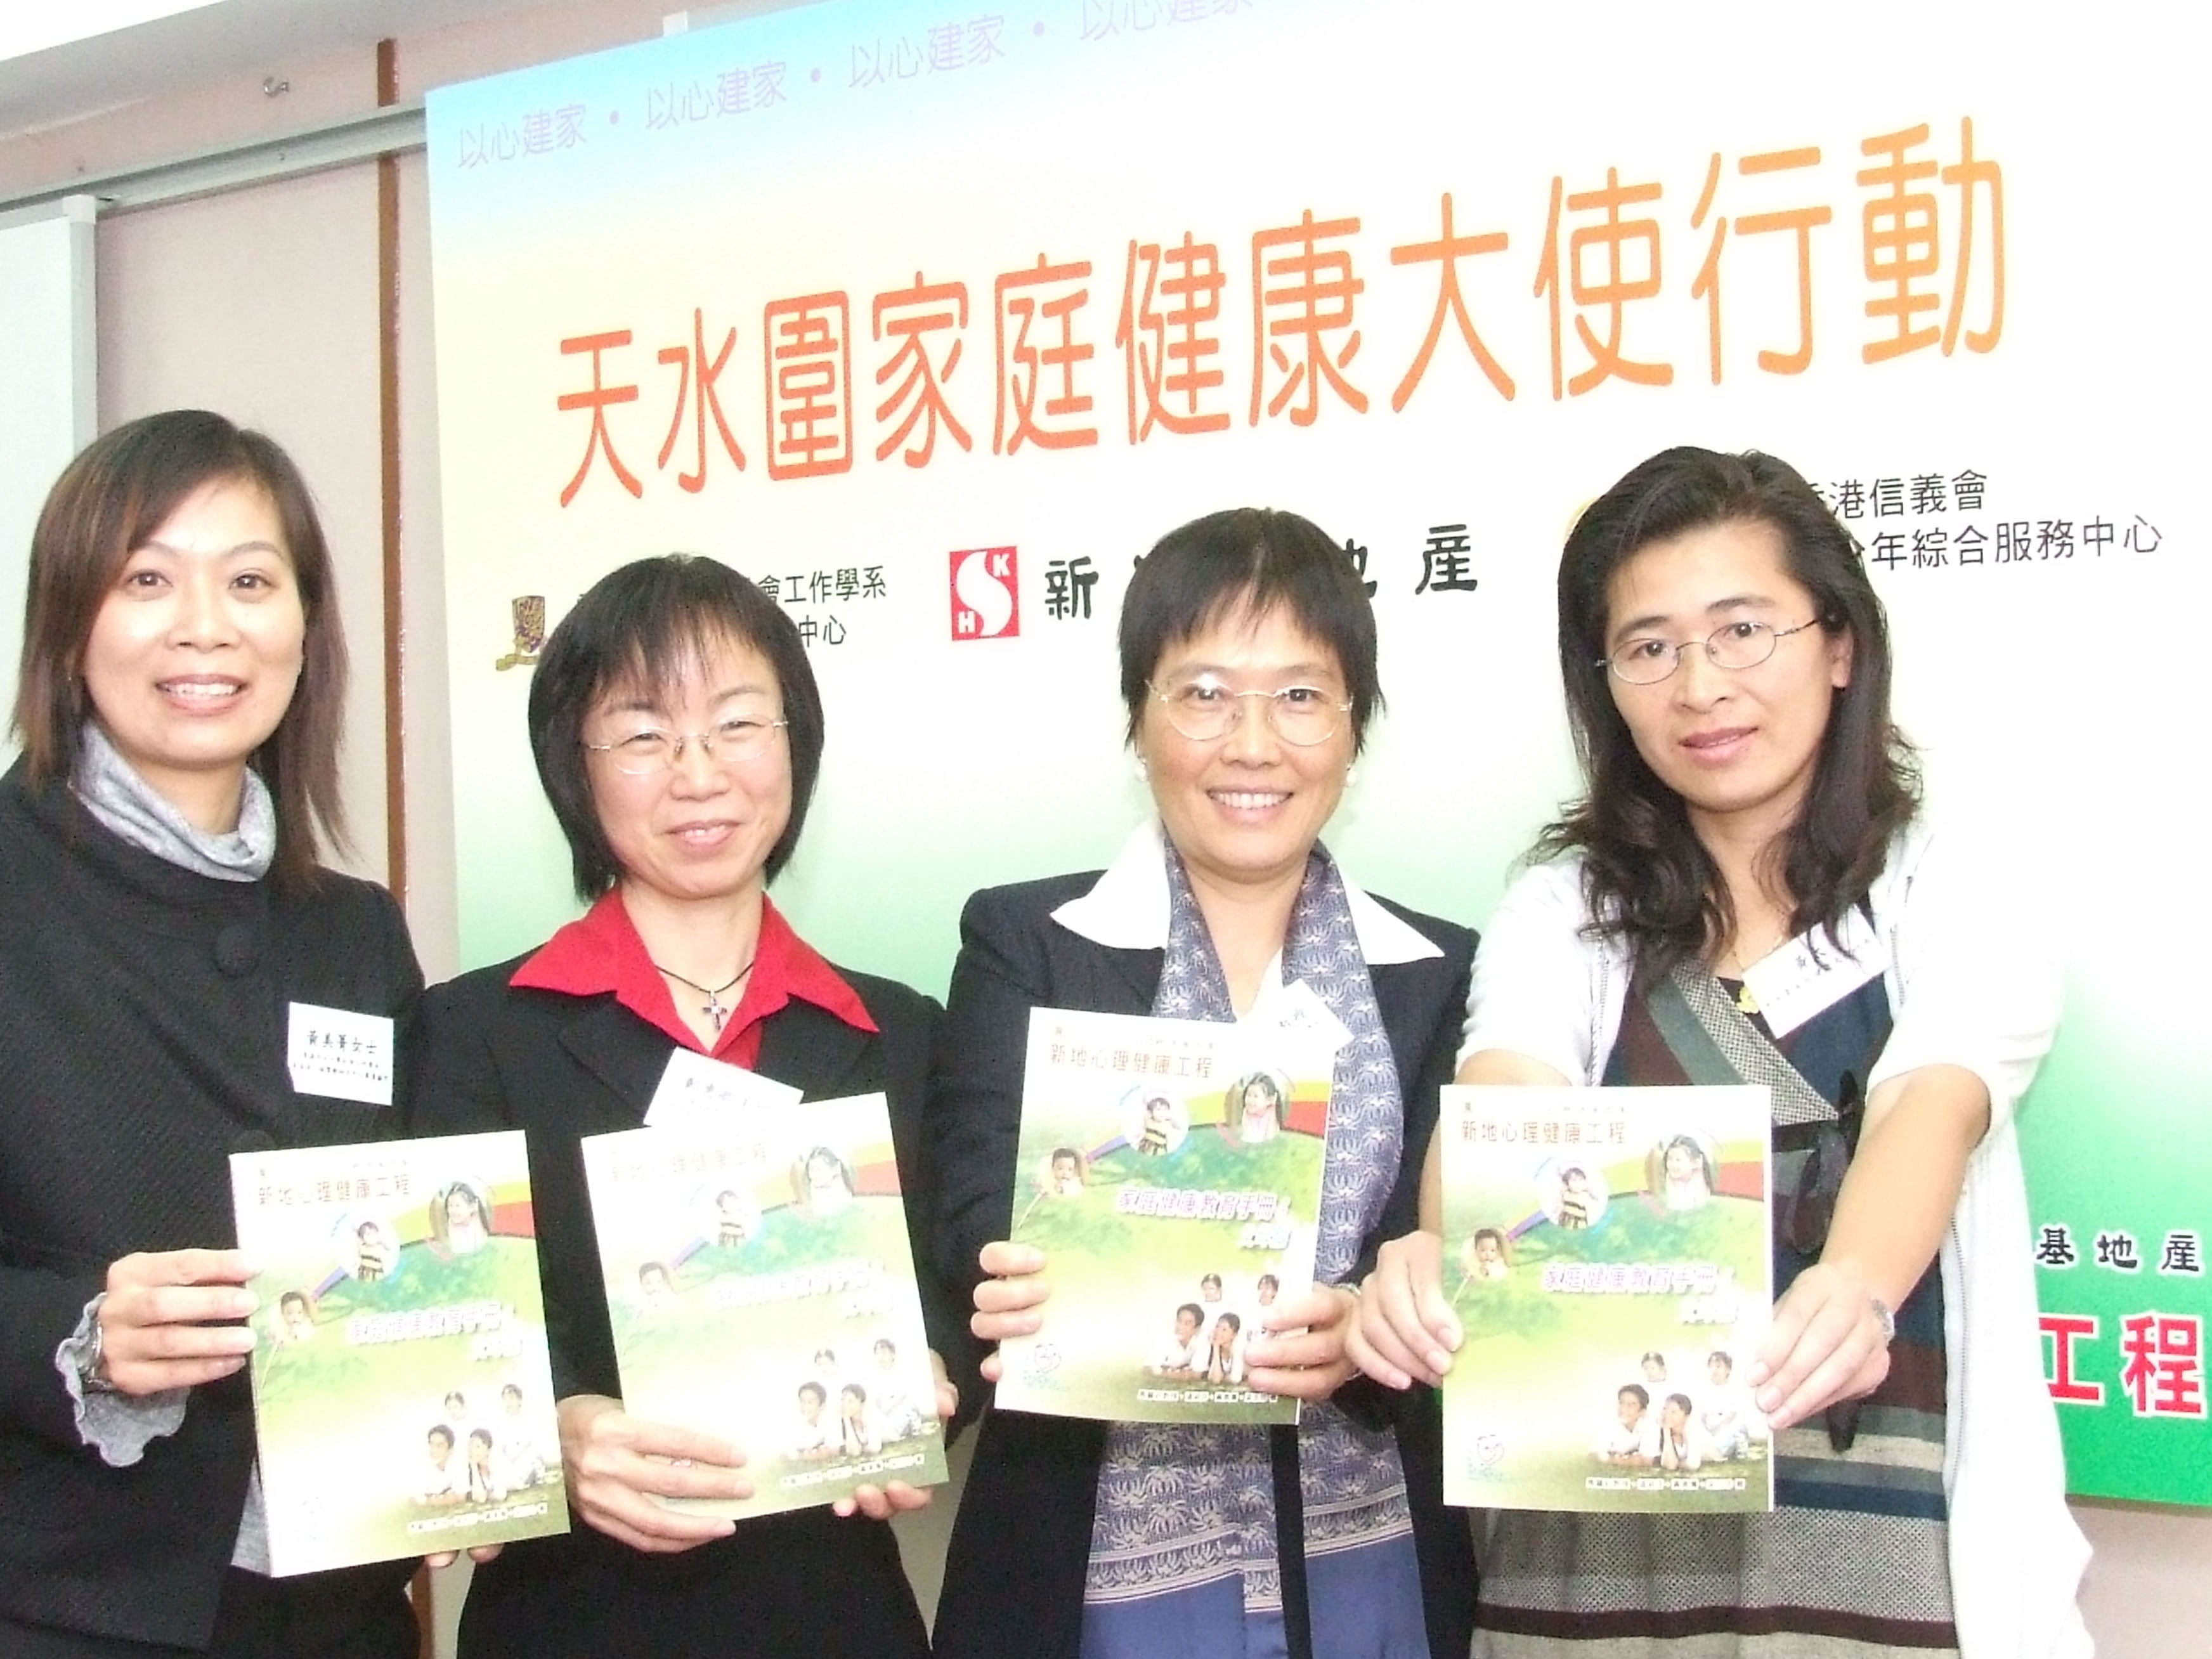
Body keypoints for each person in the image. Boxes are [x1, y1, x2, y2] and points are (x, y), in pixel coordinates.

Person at [1351, 448, 2089, 1656]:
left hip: (1887, 1579)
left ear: (1838, 644)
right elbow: (1505, 1099)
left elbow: (1932, 1102)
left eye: (1741, 629)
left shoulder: (1952, 887)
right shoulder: (1562, 909)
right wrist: (1439, 1246)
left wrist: (1849, 1286)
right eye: (1646, 646)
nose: (1699, 684)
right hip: (1588, 1579)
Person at [932, 507, 1478, 1659]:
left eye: (1298, 694)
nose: (1251, 742)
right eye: (1203, 692)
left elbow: (1451, 1265)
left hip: (1370, 1548)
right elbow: (976, 1204)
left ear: (1352, 727)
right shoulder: (1026, 938)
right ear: (1139, 719)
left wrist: (1366, 1335)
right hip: (1079, 1556)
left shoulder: (1439, 971)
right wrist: (1045, 1283)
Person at [408, 554, 957, 1659]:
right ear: (577, 767)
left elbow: (951, 1297)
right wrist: (559, 1429)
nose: (697, 774)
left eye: (738, 724)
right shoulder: (477, 1032)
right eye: (645, 734)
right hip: (572, 1616)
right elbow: (439, 1331)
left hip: (835, 1615)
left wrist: (931, 1384)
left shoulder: (896, 1033)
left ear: (792, 745)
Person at [0, 411, 429, 1658]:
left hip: (336, 1607)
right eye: (147, 580)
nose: (205, 627)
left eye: (250, 581)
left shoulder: (355, 933)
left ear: (305, 624)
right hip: (64, 1604)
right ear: (69, 616)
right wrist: (74, 1332)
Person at [1592, 1386, 1656, 1467]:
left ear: (1642, 1412)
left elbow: (1647, 1461)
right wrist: (1623, 1460)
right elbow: (1594, 1455)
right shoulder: (1609, 1422)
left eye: (1631, 1405)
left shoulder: (1649, 1426)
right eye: (1621, 1403)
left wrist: (1612, 1459)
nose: (1623, 1409)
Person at [1148, 1303, 1207, 1379]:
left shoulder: (1202, 1340)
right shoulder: (1166, 1336)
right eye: (1179, 1321)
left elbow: (1197, 1374)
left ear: (1197, 1329)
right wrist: (1168, 1374)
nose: (1180, 1326)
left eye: (1187, 1324)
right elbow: (1149, 1367)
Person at [1235, 1070, 1285, 1143]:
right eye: (1249, 1095)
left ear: (1269, 1100)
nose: (1250, 1100)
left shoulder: (1272, 1113)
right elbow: (1247, 1136)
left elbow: (1270, 1137)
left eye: (1256, 1096)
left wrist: (1273, 1106)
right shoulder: (1247, 1112)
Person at [1206, 1313, 1247, 1386]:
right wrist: (1216, 1348)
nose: (1218, 1332)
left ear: (1234, 1335)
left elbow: (1235, 1379)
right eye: (1217, 1327)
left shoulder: (1238, 1349)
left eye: (1224, 1330)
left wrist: (1223, 1377)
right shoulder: (1210, 1346)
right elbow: (1215, 1380)